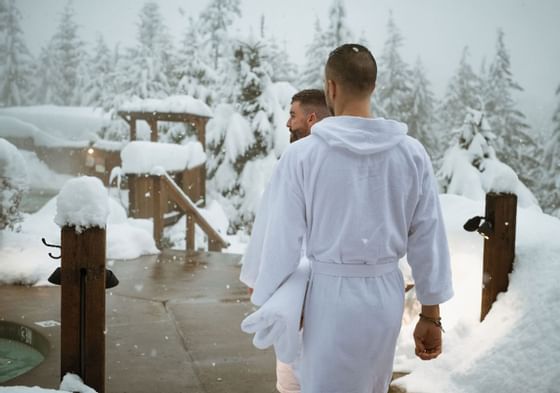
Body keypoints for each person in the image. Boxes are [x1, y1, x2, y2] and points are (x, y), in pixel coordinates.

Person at [242, 43, 454, 393]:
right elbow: (428, 237)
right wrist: (430, 314)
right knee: (372, 385)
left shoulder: (303, 157)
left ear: (331, 88)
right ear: (372, 86)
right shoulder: (411, 154)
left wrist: (272, 297)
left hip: (328, 297)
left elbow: (281, 238)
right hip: (385, 294)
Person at [241, 89, 331, 393]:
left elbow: (279, 233)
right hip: (343, 295)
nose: (287, 123)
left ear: (312, 117)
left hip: (300, 288)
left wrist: (262, 284)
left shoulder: (297, 159)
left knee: (293, 378)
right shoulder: (339, 161)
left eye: (292, 115)